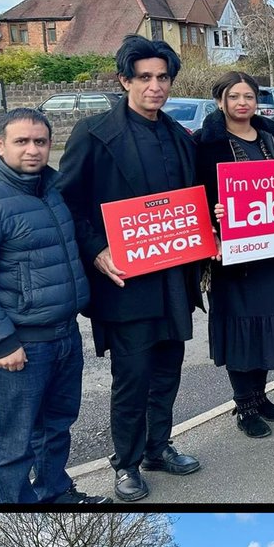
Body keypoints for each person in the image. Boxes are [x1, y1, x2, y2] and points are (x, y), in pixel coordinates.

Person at [56, 34, 204, 503]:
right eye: (144, 78)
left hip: (174, 279)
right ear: (125, 80)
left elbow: (193, 203)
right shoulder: (95, 134)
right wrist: (97, 247)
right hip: (125, 283)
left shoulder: (181, 137)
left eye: (163, 78)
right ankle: (127, 462)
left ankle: (159, 446)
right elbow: (68, 201)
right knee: (133, 376)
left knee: (168, 369)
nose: (155, 86)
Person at [0, 108, 108, 504]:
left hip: (65, 334)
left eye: (40, 141)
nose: (32, 150)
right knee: (13, 440)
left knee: (56, 426)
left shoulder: (53, 188)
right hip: (21, 345)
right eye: (21, 141)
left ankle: (55, 492)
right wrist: (1, 342)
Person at [193, 70, 274, 439]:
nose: (242, 103)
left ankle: (261, 394)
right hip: (230, 257)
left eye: (249, 97)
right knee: (240, 328)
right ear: (220, 100)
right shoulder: (205, 144)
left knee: (267, 323)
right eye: (234, 97)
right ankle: (244, 405)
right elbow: (194, 195)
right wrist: (213, 213)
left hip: (271, 251)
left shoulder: (273, 138)